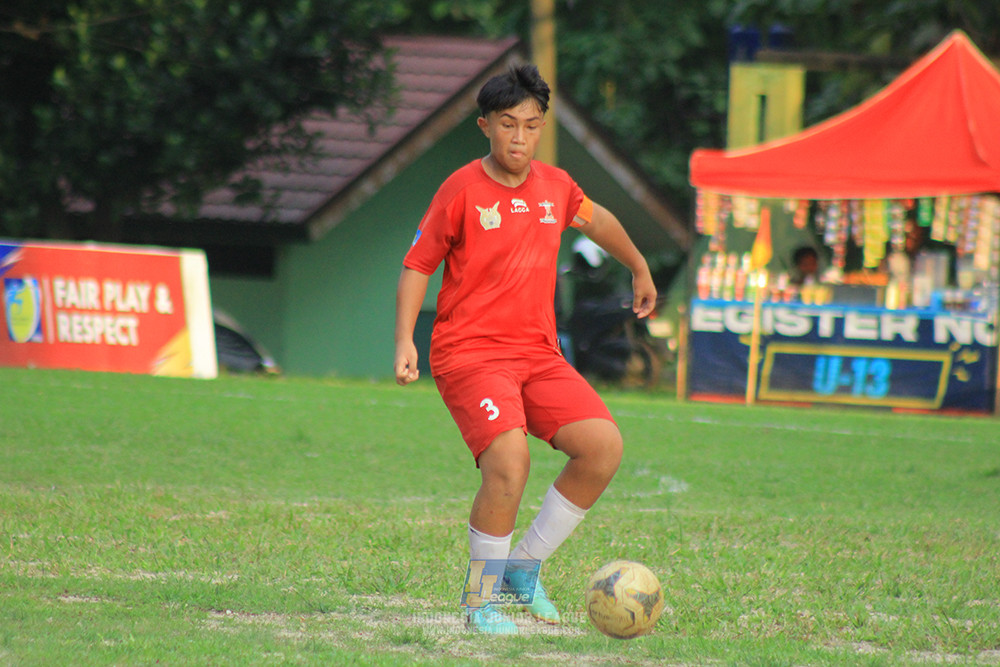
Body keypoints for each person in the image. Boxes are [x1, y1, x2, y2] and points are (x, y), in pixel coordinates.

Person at [394, 64, 657, 635]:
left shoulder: (556, 188)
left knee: (602, 448)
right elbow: (417, 264)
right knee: (510, 463)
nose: (519, 138)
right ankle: (479, 600)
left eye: (531, 126)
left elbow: (598, 221)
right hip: (469, 354)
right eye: (508, 124)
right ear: (485, 125)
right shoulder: (461, 190)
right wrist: (404, 341)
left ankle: (523, 565)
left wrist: (638, 265)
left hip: (538, 355)